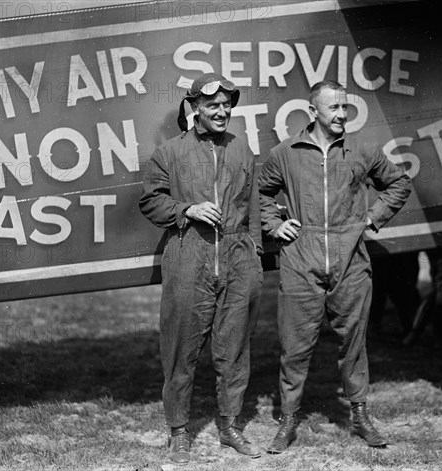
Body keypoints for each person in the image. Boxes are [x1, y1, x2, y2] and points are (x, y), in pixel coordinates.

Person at [259, 80, 412, 452]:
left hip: (350, 262)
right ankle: (288, 419)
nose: (343, 114)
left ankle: (359, 415)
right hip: (300, 260)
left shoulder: (361, 149)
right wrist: (275, 225)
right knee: (294, 348)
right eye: (334, 108)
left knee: (354, 344)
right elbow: (261, 193)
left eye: (345, 107)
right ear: (313, 112)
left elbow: (399, 183)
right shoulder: (286, 152)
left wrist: (373, 218)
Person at [139, 73, 263, 463]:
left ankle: (228, 427)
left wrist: (254, 252)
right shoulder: (169, 153)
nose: (222, 111)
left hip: (237, 258)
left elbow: (254, 206)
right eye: (213, 105)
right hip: (188, 256)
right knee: (180, 349)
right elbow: (150, 202)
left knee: (234, 349)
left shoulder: (243, 150)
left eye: (227, 105)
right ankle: (178, 431)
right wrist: (186, 210)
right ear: (194, 108)